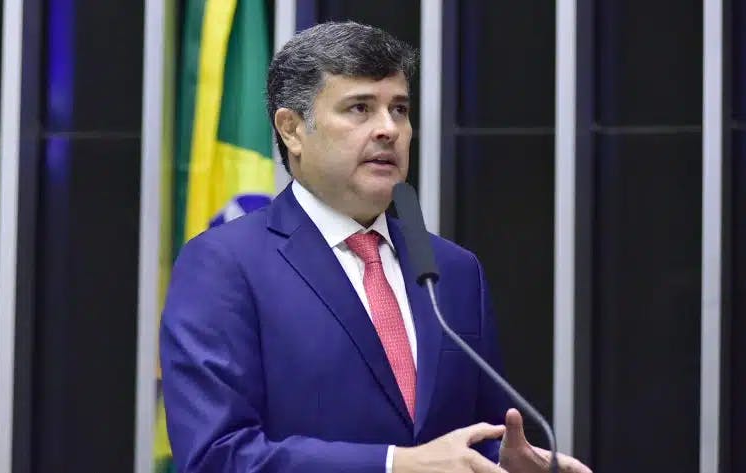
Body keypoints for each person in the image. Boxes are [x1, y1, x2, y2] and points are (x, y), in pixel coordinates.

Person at [160, 21, 591, 473]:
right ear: (291, 130)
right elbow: (217, 456)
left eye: (400, 109)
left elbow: (471, 439)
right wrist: (392, 464)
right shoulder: (225, 265)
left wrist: (502, 464)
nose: (389, 129)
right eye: (360, 108)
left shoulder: (454, 271)